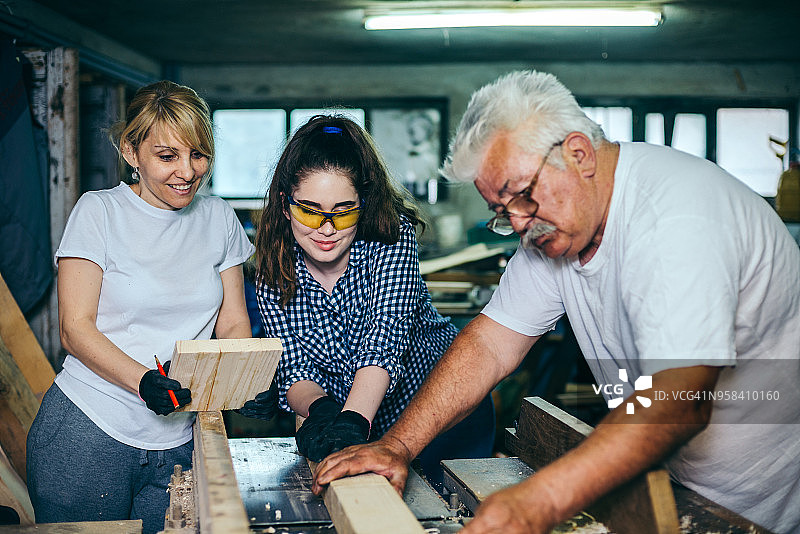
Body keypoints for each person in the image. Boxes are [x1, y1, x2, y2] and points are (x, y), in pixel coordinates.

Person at [312, 71, 800, 534]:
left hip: (760, 501)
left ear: (580, 154)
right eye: (503, 212)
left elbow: (679, 398)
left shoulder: (678, 217)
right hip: (668, 481)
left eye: (522, 197)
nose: (520, 222)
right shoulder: (558, 229)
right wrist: (396, 445)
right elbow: (491, 344)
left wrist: (538, 501)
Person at [26, 81, 255, 534]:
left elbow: (232, 321)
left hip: (180, 439)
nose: (187, 172)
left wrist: (245, 378)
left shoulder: (219, 218)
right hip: (89, 429)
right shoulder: (99, 212)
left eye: (199, 154)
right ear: (132, 151)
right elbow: (75, 328)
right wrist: (144, 381)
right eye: (167, 156)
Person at [240, 114, 494, 489]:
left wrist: (352, 423)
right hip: (360, 427)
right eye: (309, 210)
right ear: (284, 204)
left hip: (442, 413)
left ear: (364, 202)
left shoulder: (390, 242)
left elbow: (383, 343)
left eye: (343, 212)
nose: (326, 229)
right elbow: (295, 368)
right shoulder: (274, 274)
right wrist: (321, 410)